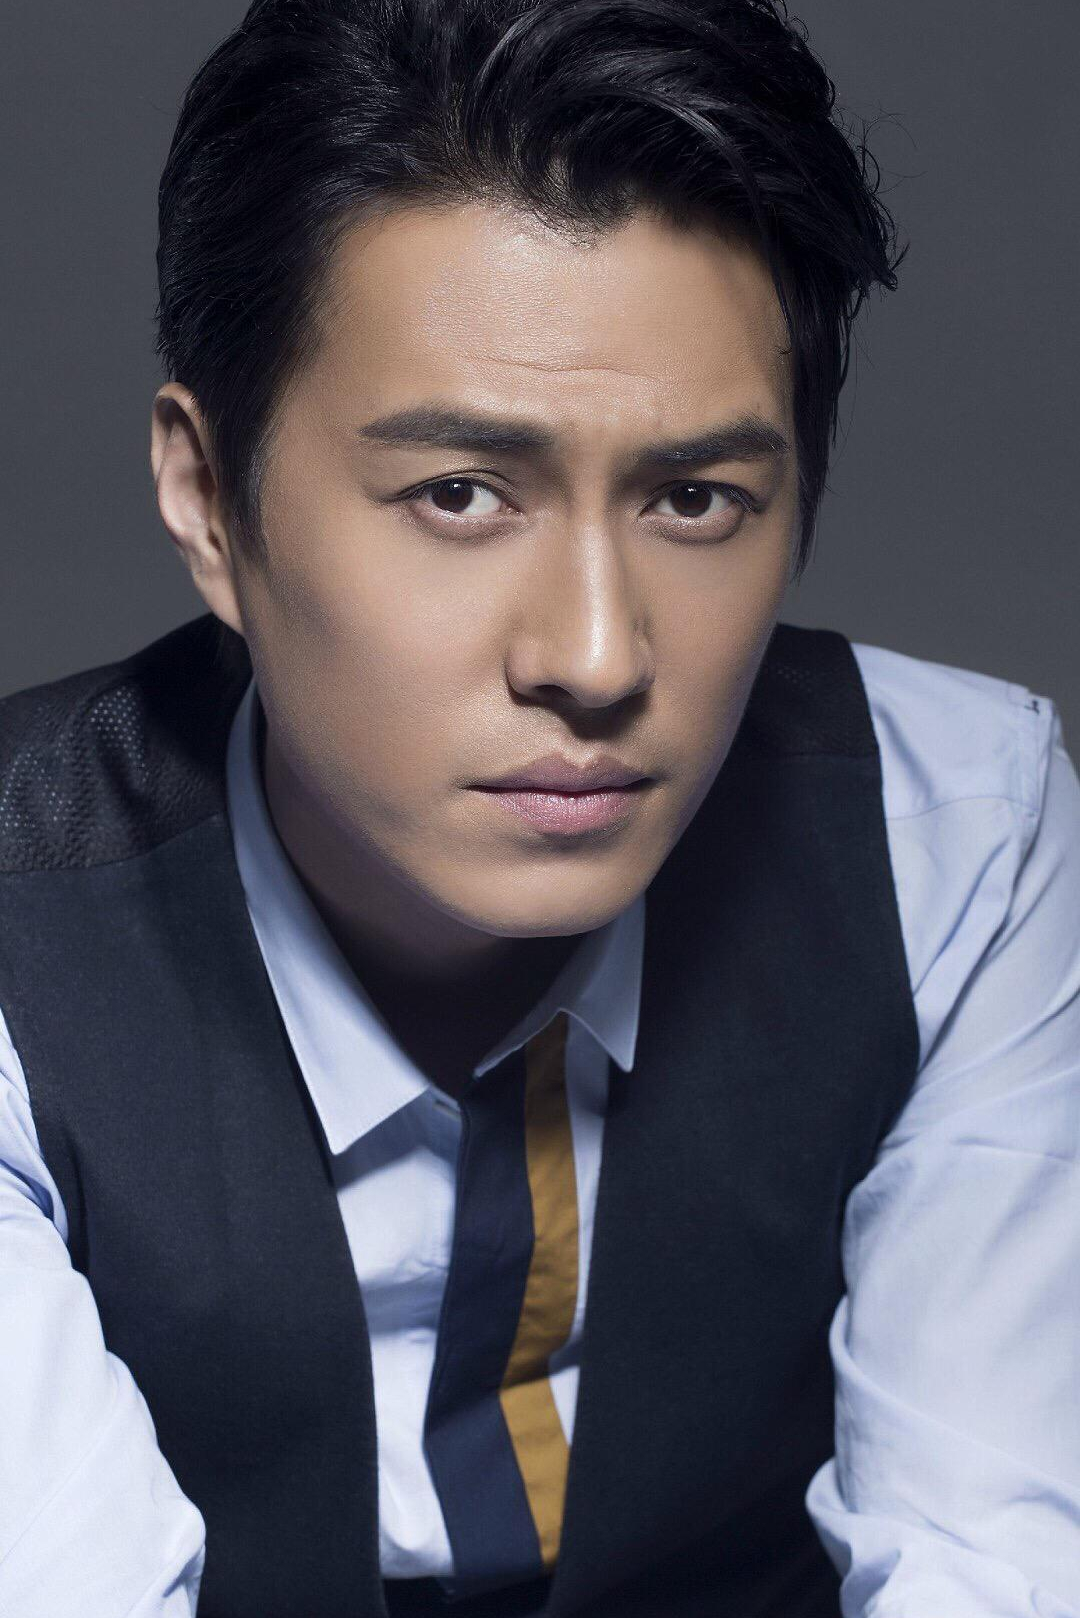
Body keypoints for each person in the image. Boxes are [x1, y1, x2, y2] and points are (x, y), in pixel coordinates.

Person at [0, 0, 1077, 1613]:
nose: (594, 654)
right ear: (209, 500)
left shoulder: (958, 840)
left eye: (694, 498)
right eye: (459, 494)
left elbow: (994, 1560)